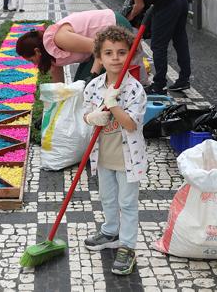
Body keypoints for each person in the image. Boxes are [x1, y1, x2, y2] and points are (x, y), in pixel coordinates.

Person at [81, 26, 147, 276]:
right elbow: (85, 114)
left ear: (130, 54)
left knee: (127, 203)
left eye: (122, 52)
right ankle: (110, 231)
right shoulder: (93, 86)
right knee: (107, 198)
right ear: (99, 57)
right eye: (109, 53)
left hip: (128, 158)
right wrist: (92, 117)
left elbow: (131, 124)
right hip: (103, 156)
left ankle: (128, 246)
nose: (116, 58)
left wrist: (113, 104)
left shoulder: (134, 90)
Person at [105, 0, 191, 95]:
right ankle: (184, 79)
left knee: (158, 46)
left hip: (166, 5)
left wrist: (126, 19)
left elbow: (139, 5)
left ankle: (159, 86)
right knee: (180, 40)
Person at [16, 10, 135, 83]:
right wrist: (55, 107)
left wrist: (93, 77)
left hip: (114, 26)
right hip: (98, 48)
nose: (34, 64)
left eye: (31, 60)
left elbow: (98, 48)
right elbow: (59, 87)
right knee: (79, 85)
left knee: (88, 87)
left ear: (37, 51)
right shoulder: (51, 58)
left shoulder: (59, 38)